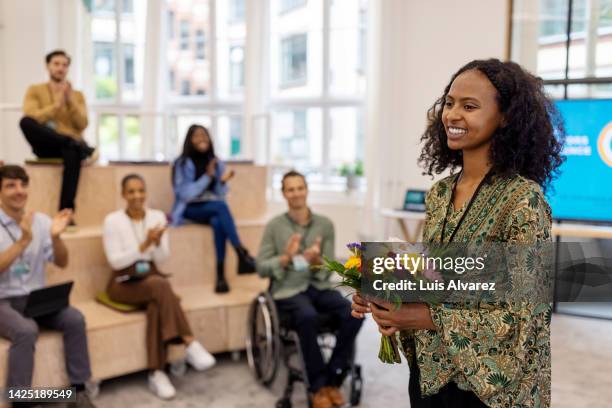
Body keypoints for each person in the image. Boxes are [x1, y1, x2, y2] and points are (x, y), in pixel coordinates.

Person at [352, 59, 564, 408]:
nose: (452, 115)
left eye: (469, 106)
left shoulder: (523, 201)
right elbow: (439, 279)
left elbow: (527, 313)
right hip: (430, 375)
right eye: (449, 103)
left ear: (506, 117)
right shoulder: (439, 194)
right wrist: (385, 296)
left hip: (486, 391)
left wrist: (423, 316)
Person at [103, 174, 216, 400]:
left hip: (151, 279)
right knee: (161, 286)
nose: (137, 196)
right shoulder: (112, 221)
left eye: (141, 190)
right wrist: (144, 244)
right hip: (122, 282)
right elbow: (115, 261)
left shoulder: (156, 217)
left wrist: (155, 243)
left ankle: (156, 373)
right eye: (131, 191)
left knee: (157, 302)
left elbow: (163, 257)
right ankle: (188, 341)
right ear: (123, 194)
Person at [257, 171, 363, 408]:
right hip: (287, 289)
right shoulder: (275, 227)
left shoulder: (325, 225)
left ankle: (332, 379)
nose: (296, 193)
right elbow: (261, 267)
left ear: (307, 190)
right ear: (284, 194)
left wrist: (315, 261)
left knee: (353, 311)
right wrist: (286, 257)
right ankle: (318, 387)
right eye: (290, 189)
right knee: (307, 316)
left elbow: (326, 269)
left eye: (300, 188)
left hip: (318, 286)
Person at [0, 165, 96, 408]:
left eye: (23, 184)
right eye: (10, 185)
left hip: (35, 299)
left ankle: (78, 392)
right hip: (3, 301)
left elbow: (62, 262)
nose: (18, 191)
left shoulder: (41, 221)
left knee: (74, 318)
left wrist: (55, 237)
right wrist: (22, 242)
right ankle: (19, 401)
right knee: (26, 330)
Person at [171, 124, 256, 294]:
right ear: (190, 140)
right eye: (197, 135)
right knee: (221, 207)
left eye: (205, 135)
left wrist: (222, 181)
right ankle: (241, 252)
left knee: (218, 222)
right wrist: (207, 176)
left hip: (211, 208)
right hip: (189, 209)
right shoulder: (181, 163)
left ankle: (220, 277)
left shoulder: (216, 162)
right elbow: (185, 194)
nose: (202, 138)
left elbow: (219, 193)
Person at [19, 49, 98, 215]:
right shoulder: (35, 90)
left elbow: (83, 124)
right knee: (25, 122)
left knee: (72, 150)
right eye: (56, 64)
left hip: (68, 147)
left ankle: (66, 212)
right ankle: (76, 145)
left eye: (64, 65)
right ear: (47, 66)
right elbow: (33, 116)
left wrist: (70, 101)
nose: (60, 68)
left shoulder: (77, 95)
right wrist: (56, 106)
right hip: (46, 144)